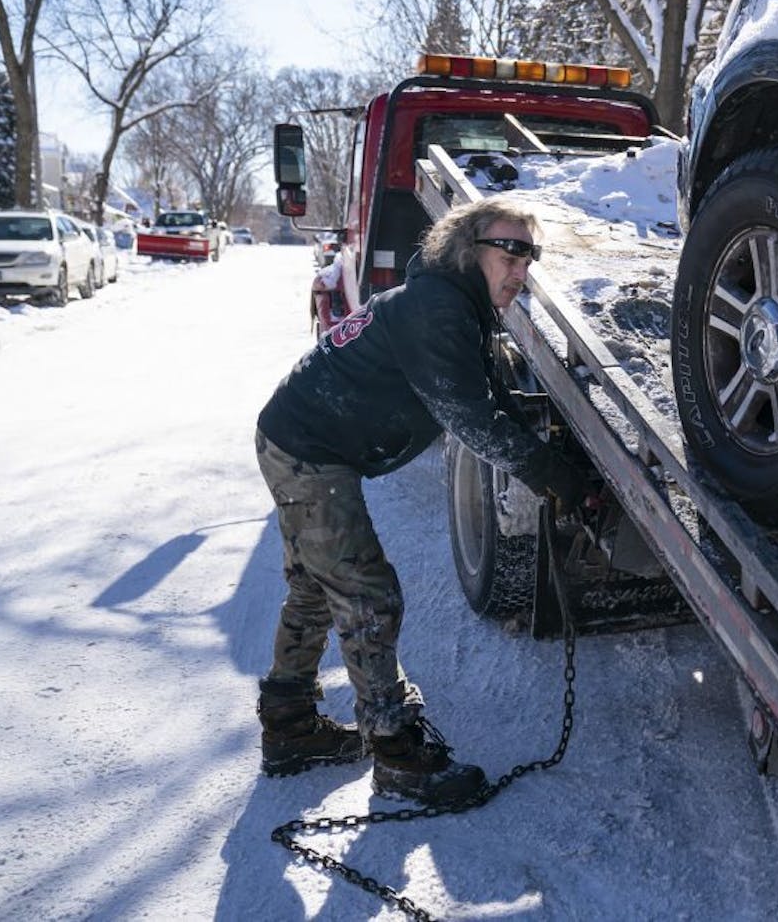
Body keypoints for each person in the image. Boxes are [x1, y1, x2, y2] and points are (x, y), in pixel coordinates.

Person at [253, 197, 590, 805]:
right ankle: (397, 752)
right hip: (306, 446)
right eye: (510, 250)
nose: (521, 267)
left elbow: (489, 396)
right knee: (365, 591)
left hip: (305, 436)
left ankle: (289, 726)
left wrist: (555, 468)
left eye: (529, 254)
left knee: (315, 584)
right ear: (467, 249)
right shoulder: (437, 309)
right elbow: (469, 419)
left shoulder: (456, 304)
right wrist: (551, 475)